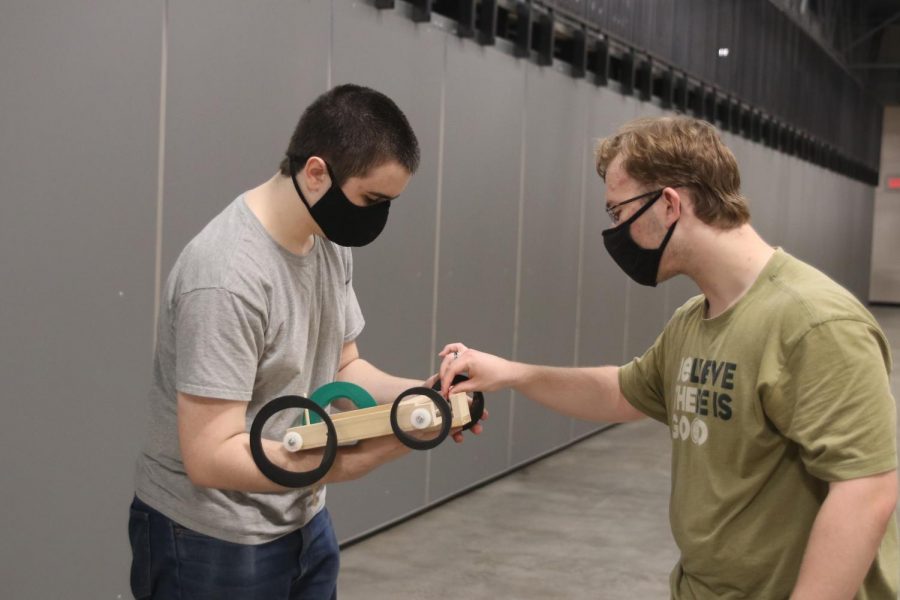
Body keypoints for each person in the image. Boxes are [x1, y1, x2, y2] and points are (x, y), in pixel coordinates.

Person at [437, 116, 899, 599]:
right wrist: (513, 374)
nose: (615, 231)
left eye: (618, 213)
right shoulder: (692, 320)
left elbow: (865, 491)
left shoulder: (815, 323)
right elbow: (621, 393)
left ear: (670, 203)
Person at [128, 84, 479, 600]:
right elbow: (209, 456)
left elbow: (343, 366)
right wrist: (374, 450)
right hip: (209, 537)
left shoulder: (326, 241)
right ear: (316, 173)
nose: (377, 216)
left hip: (301, 519)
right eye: (372, 200)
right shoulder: (227, 276)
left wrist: (425, 398)